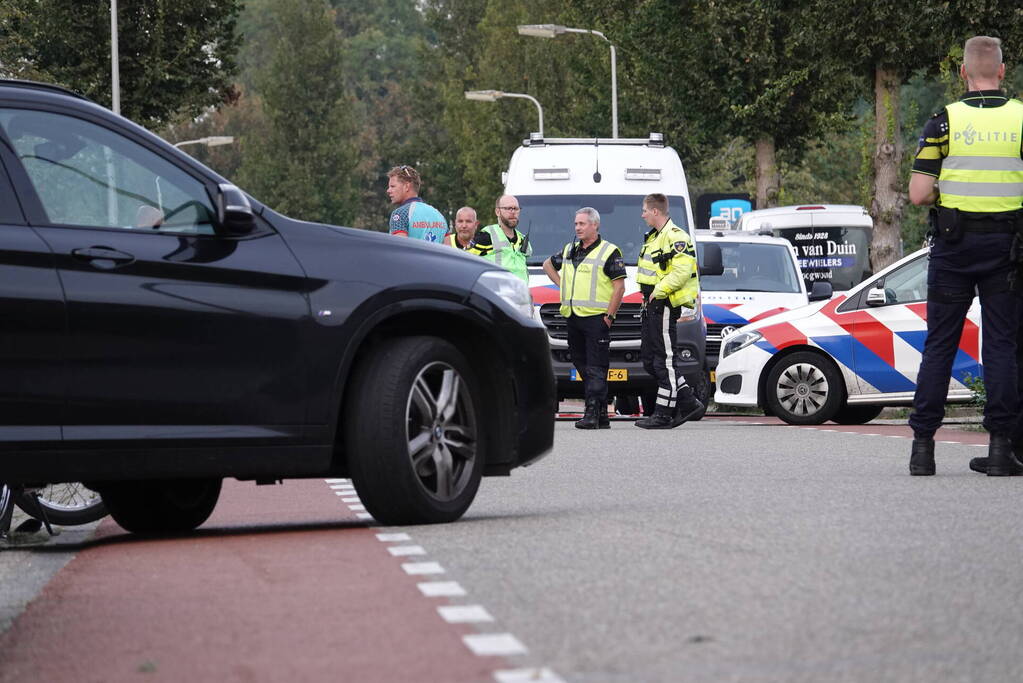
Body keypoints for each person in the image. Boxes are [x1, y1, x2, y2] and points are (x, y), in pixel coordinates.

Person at [907, 35, 1023, 476]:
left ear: (963, 73)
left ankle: (922, 449)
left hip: (953, 246)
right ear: (1002, 71)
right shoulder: (1021, 119)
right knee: (1001, 346)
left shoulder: (943, 122)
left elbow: (919, 193)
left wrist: (951, 189)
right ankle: (1000, 449)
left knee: (939, 345)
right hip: (1007, 248)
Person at [542, 208, 626, 429]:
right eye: (576, 224)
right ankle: (602, 413)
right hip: (573, 317)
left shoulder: (609, 251)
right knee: (582, 364)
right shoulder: (570, 250)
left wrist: (609, 316)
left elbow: (619, 287)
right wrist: (563, 287)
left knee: (596, 366)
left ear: (595, 225)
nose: (577, 228)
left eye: (582, 224)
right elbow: (547, 265)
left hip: (597, 319)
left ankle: (592, 413)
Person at [633, 193, 703, 429]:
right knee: (650, 360)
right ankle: (688, 402)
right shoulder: (655, 237)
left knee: (665, 361)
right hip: (650, 304)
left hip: (663, 303)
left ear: (655, 211)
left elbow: (682, 271)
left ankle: (663, 414)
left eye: (644, 210)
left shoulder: (676, 236)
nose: (642, 215)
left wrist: (659, 291)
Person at [469, 195, 532, 282]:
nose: (513, 212)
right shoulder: (485, 237)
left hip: (521, 290)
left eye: (516, 208)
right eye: (508, 208)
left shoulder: (523, 239)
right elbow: (465, 263)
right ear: (497, 212)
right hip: (494, 290)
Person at [386, 165, 448, 243]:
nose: (388, 190)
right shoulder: (439, 216)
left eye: (392, 186)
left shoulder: (400, 214)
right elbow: (449, 248)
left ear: (406, 186)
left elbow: (399, 247)